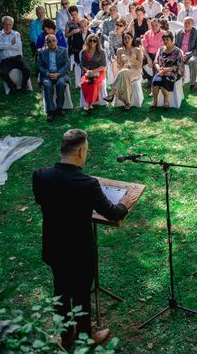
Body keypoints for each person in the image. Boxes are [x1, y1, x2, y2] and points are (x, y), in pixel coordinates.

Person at [33, 129, 137, 347]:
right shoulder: (87, 184)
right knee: (81, 293)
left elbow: (42, 200)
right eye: (86, 150)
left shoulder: (40, 175)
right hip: (79, 248)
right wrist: (125, 203)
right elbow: (112, 213)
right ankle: (86, 336)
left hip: (54, 244)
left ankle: (65, 333)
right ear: (80, 151)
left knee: (60, 289)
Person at [104, 32, 143, 109]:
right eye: (125, 38)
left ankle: (111, 93)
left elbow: (140, 65)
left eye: (128, 38)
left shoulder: (137, 50)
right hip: (124, 71)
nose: (127, 40)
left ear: (132, 39)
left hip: (135, 71)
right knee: (123, 73)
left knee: (123, 72)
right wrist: (123, 67)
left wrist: (133, 60)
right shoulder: (119, 50)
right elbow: (118, 65)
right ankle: (127, 103)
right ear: (122, 40)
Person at [0, 16, 31, 94]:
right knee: (3, 73)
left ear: (12, 25)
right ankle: (12, 87)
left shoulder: (16, 34)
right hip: (6, 60)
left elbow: (17, 47)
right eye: (6, 24)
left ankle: (23, 86)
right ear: (3, 24)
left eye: (10, 25)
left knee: (27, 70)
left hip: (17, 58)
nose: (8, 26)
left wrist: (5, 46)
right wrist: (11, 43)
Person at [38, 34, 70, 122]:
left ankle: (59, 107)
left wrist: (58, 74)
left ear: (56, 41)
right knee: (47, 85)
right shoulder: (42, 52)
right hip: (47, 75)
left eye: (53, 40)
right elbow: (39, 66)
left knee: (61, 83)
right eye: (49, 41)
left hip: (60, 74)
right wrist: (48, 73)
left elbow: (67, 64)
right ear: (46, 43)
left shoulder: (63, 50)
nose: (52, 43)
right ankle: (50, 111)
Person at [151, 31, 184, 108]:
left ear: (172, 40)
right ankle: (155, 101)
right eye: (164, 40)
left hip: (173, 72)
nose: (165, 41)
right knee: (156, 81)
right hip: (161, 71)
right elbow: (155, 62)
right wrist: (159, 70)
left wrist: (165, 70)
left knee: (164, 80)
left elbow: (177, 66)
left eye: (167, 39)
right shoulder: (161, 49)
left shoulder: (177, 51)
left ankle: (166, 101)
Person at [174, 18, 197, 92]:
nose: (186, 24)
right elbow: (175, 45)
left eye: (188, 23)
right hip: (181, 54)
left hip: (193, 54)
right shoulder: (178, 32)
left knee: (192, 61)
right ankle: (180, 80)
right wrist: (180, 53)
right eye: (185, 22)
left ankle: (192, 84)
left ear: (192, 24)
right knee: (175, 59)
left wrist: (187, 55)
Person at [79, 34, 106, 112]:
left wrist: (93, 71)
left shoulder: (101, 52)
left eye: (94, 41)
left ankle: (87, 103)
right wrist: (87, 71)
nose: (92, 42)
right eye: (90, 40)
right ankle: (91, 103)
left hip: (99, 72)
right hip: (87, 72)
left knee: (93, 82)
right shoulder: (84, 52)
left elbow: (103, 66)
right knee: (84, 82)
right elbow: (82, 65)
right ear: (87, 41)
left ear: (97, 42)